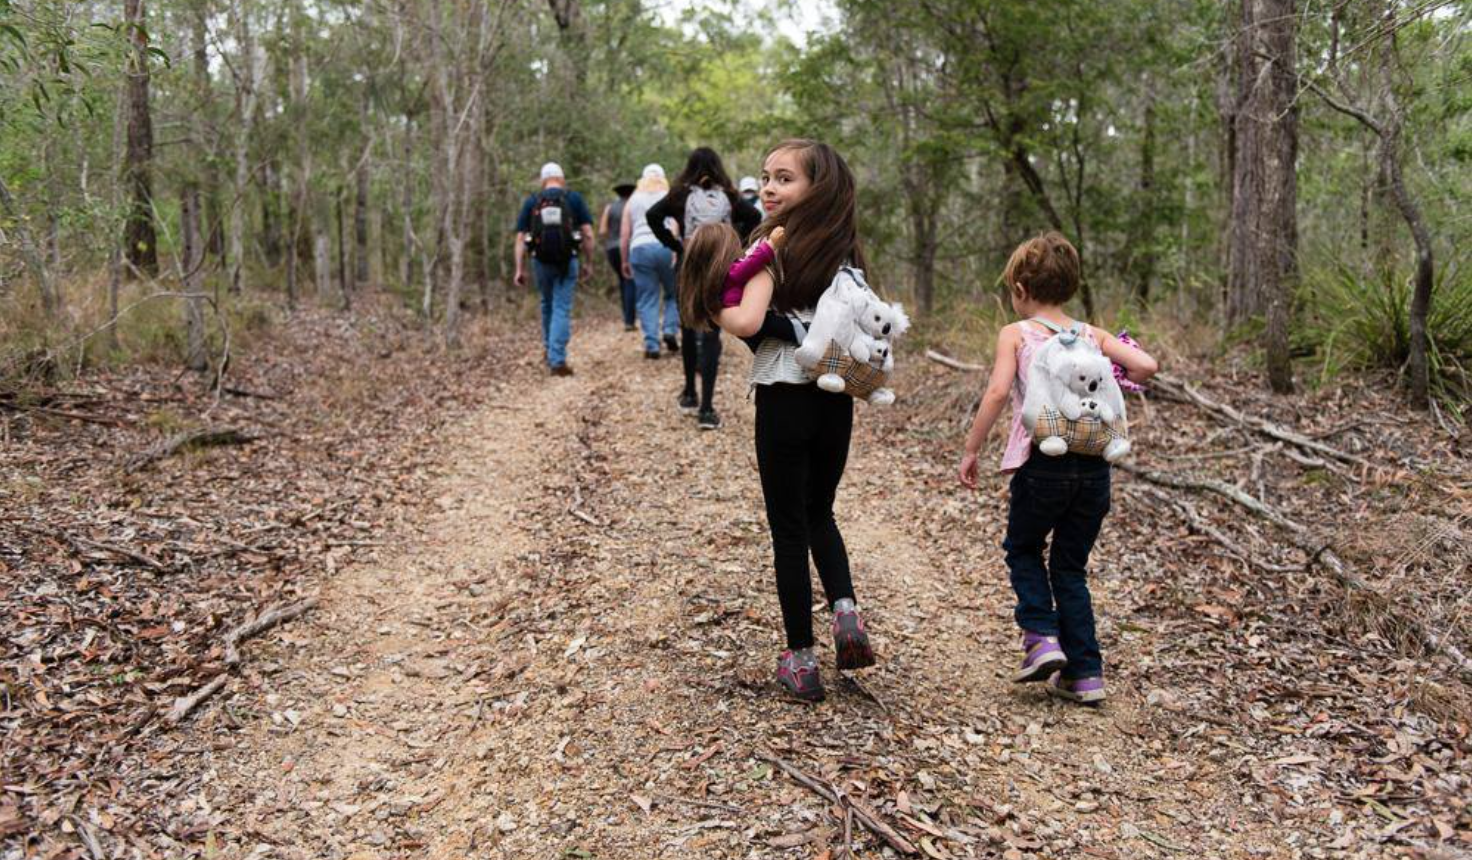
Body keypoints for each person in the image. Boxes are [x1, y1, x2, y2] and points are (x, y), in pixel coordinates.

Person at [957, 231, 1158, 706]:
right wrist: (1116, 366)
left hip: (1041, 465)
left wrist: (971, 449)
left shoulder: (1016, 333)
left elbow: (998, 393)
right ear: (1068, 287)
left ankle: (1042, 638)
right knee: (1070, 567)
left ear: (1021, 290)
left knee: (1023, 547)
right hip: (1093, 470)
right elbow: (1147, 366)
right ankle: (1085, 675)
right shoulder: (1092, 336)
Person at [711, 139, 875, 702]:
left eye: (784, 179)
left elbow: (749, 324)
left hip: (784, 394)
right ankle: (846, 613)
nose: (769, 188)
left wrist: (719, 304)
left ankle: (801, 658)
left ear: (817, 187)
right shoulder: (846, 253)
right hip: (836, 399)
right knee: (821, 511)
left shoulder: (768, 248)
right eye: (765, 177)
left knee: (788, 527)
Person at [646, 147, 762, 430]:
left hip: (688, 266)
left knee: (688, 329)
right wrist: (734, 244)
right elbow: (755, 218)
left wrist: (675, 245)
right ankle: (708, 409)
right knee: (711, 333)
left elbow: (652, 215)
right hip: (719, 268)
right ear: (718, 166)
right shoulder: (730, 196)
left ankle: (689, 393)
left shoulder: (681, 194)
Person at [514, 162, 595, 376]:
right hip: (568, 260)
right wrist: (588, 261)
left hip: (540, 261)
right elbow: (588, 233)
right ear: (562, 178)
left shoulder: (533, 201)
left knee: (546, 303)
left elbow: (521, 238)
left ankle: (550, 350)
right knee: (561, 306)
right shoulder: (573, 199)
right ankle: (557, 359)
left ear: (543, 180)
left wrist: (519, 268)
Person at [620, 164, 677, 361]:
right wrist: (675, 250)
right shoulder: (669, 194)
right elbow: (676, 223)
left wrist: (624, 259)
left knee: (647, 298)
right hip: (665, 247)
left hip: (640, 249)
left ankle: (652, 344)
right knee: (673, 294)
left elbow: (625, 233)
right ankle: (669, 330)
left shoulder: (633, 199)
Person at [598, 182, 638, 331]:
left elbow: (602, 231)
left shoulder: (610, 207)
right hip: (629, 246)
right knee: (630, 281)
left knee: (623, 280)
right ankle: (630, 320)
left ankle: (627, 317)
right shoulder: (634, 206)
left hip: (612, 248)